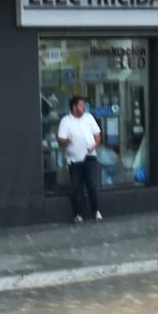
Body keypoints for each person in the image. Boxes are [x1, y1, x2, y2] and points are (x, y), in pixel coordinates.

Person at [57, 95, 103, 223]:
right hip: (74, 159)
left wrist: (95, 144)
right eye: (82, 106)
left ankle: (96, 211)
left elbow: (97, 135)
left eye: (84, 105)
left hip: (90, 156)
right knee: (77, 187)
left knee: (92, 184)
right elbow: (60, 141)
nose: (84, 108)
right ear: (74, 107)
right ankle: (79, 214)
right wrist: (67, 141)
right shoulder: (66, 121)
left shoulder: (89, 118)